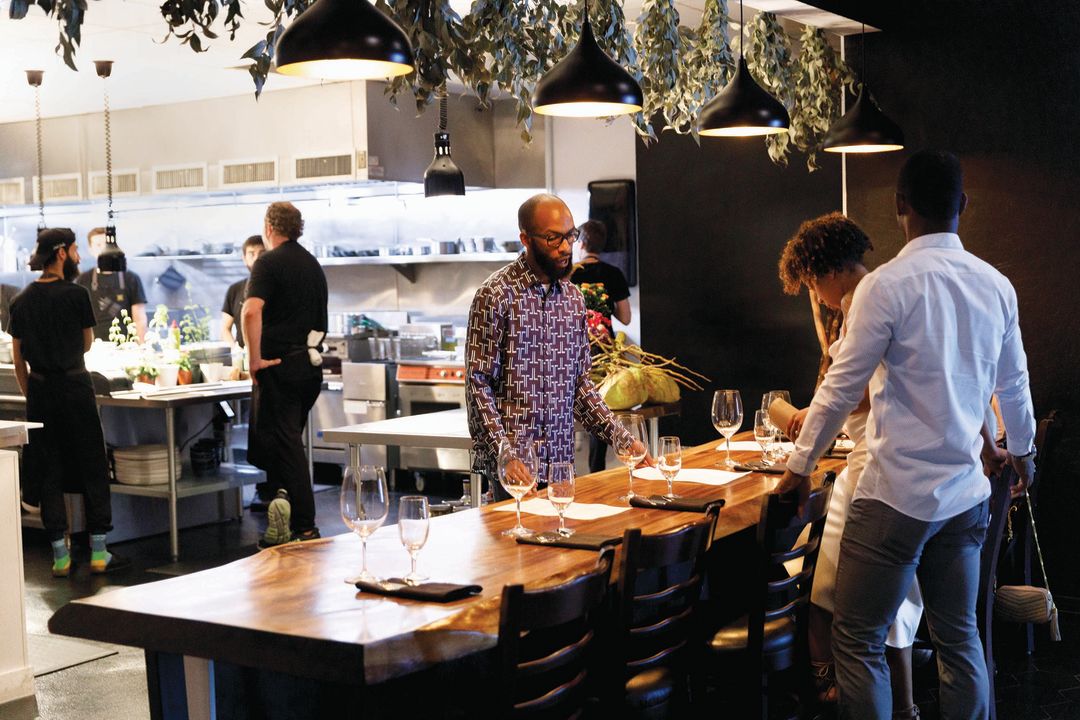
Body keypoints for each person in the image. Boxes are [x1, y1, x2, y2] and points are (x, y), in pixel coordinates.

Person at [778, 150, 1036, 720]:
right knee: (960, 638)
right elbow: (1014, 386)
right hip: (964, 495)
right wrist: (1022, 455)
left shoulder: (884, 287)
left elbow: (841, 388)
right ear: (963, 205)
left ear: (899, 207)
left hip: (895, 497)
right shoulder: (997, 286)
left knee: (858, 638)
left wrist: (799, 468)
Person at [777, 213, 924, 716]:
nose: (816, 297)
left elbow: (851, 393)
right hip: (914, 477)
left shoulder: (867, 299)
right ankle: (903, 706)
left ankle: (831, 693)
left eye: (813, 283)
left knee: (826, 595)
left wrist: (800, 459)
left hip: (871, 475)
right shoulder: (895, 292)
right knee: (894, 607)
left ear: (825, 270)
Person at [466, 193, 649, 500]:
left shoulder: (573, 299)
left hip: (561, 463)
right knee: (518, 548)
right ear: (525, 238)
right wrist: (504, 452)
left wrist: (622, 438)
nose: (565, 247)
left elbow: (580, 384)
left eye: (569, 236)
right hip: (514, 468)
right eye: (553, 239)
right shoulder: (495, 295)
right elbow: (477, 383)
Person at [10, 228, 128, 576]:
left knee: (48, 470)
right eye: (75, 250)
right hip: (76, 385)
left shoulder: (21, 300)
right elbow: (88, 343)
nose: (79, 256)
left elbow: (18, 359)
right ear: (61, 253)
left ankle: (60, 555)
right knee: (92, 464)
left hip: (41, 390)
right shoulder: (76, 295)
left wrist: (32, 393)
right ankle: (98, 552)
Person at [242, 202, 327, 547]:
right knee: (284, 444)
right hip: (309, 367)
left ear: (268, 226)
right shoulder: (311, 263)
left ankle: (305, 527)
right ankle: (282, 522)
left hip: (282, 367)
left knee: (287, 445)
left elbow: (250, 311)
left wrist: (254, 358)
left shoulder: (268, 262)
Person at [569, 219, 632, 473]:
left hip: (575, 350)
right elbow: (626, 317)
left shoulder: (569, 274)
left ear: (581, 243)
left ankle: (567, 471)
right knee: (600, 407)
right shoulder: (614, 274)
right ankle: (596, 469)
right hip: (605, 353)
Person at [75, 227, 148, 342]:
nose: (103, 249)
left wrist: (141, 346)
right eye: (98, 245)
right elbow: (79, 319)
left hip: (127, 345)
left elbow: (139, 318)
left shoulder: (131, 278)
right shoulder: (83, 280)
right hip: (96, 346)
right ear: (91, 249)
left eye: (106, 244)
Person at [221, 235, 266, 349]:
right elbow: (225, 328)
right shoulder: (234, 290)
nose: (256, 258)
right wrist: (236, 349)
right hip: (243, 359)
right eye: (251, 254)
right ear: (244, 258)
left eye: (262, 253)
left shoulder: (277, 288)